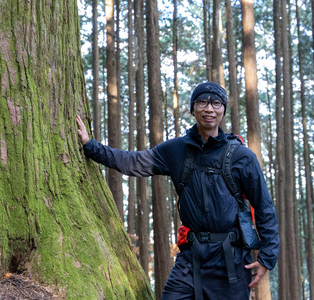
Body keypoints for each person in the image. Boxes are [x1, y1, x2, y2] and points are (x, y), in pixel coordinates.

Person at [76, 82, 279, 299]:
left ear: (223, 110)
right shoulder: (176, 150)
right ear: (193, 108)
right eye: (202, 102)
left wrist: (267, 259)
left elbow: (264, 207)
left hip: (231, 262)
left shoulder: (242, 156)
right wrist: (91, 146)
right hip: (191, 259)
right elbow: (134, 162)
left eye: (216, 103)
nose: (209, 109)